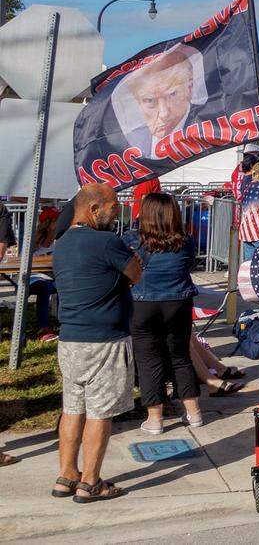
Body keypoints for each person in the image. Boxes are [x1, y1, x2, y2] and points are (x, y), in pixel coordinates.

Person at [52, 183, 142, 503]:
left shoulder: (60, 245)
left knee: (72, 408)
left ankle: (66, 475)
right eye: (113, 206)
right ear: (93, 210)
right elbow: (136, 274)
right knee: (100, 412)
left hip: (71, 338)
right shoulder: (107, 242)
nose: (116, 212)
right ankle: (90, 482)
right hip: (105, 339)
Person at [124, 193, 206, 434]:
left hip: (142, 303)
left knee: (149, 360)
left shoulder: (132, 239)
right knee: (180, 356)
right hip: (178, 302)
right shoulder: (186, 241)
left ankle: (155, 418)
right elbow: (189, 265)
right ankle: (194, 413)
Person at [29, 209, 60, 341]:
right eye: (58, 221)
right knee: (44, 287)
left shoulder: (60, 240)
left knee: (65, 284)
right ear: (50, 223)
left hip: (52, 277)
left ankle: (65, 322)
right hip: (34, 278)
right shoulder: (33, 241)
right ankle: (42, 328)